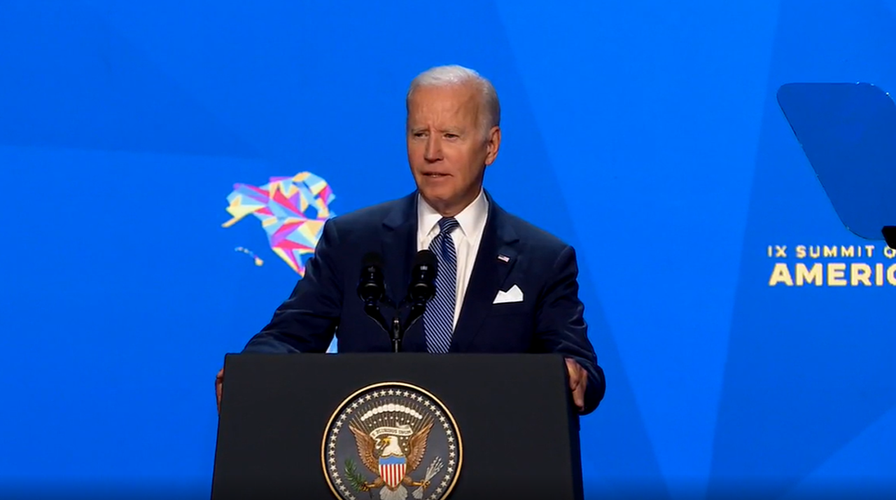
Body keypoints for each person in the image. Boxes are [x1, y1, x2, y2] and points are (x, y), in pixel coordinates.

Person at [216, 65, 605, 414]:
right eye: (420, 134)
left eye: (450, 135)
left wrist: (574, 375)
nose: (431, 153)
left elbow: (578, 365)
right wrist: (249, 374)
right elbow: (288, 337)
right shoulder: (351, 241)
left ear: (491, 146)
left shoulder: (543, 258)